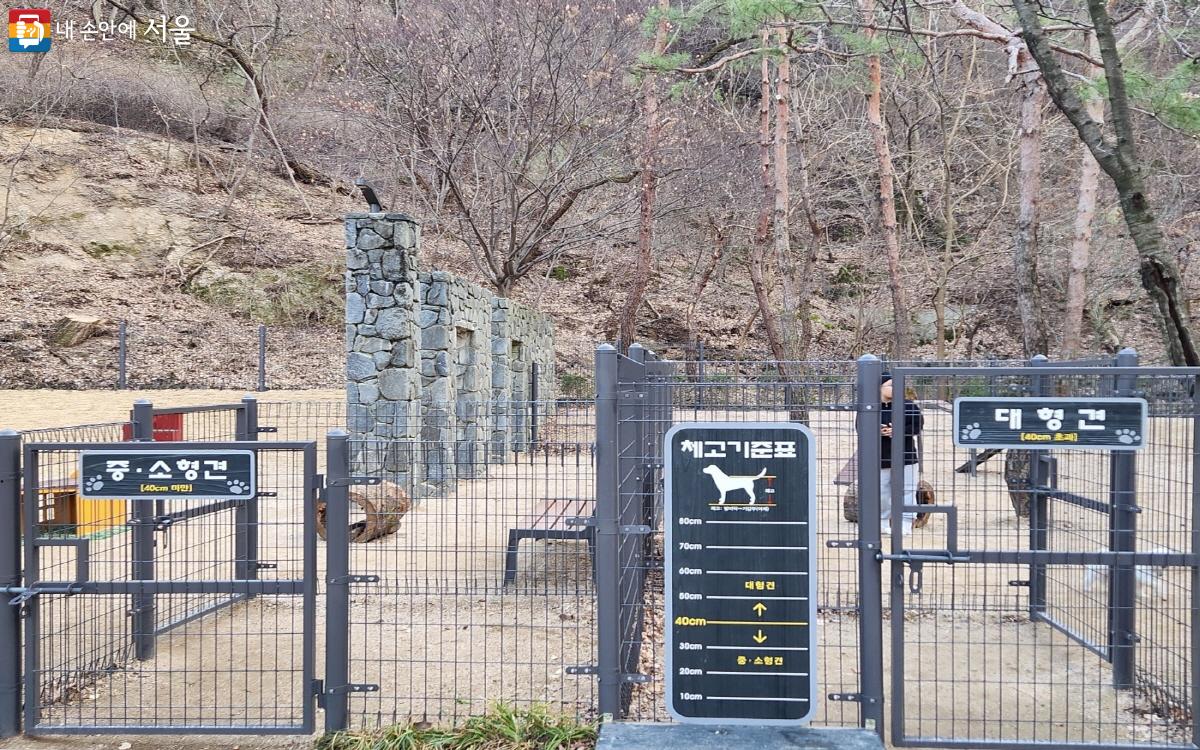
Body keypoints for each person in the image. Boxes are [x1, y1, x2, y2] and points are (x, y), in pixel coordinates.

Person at [880, 372, 923, 535]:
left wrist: (898, 431)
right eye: (891, 385)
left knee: (908, 489)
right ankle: (883, 520)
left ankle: (906, 522)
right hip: (880, 457)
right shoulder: (870, 407)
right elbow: (861, 428)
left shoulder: (909, 406)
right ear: (880, 387)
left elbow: (917, 427)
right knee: (881, 490)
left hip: (906, 456)